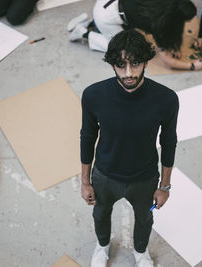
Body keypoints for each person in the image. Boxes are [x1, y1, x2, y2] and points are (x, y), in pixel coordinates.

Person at [80, 30, 179, 267]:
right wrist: (85, 181)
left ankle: (141, 252)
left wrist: (164, 186)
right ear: (112, 64)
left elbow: (168, 142)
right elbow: (87, 136)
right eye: (120, 64)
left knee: (145, 219)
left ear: (145, 61)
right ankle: (103, 246)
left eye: (135, 64)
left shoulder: (166, 99)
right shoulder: (93, 95)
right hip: (104, 175)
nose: (128, 73)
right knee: (100, 214)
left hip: (144, 177)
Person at [68, 0, 202, 71]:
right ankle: (84, 32)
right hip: (105, 17)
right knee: (124, 49)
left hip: (105, 4)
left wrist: (173, 47)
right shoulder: (159, 24)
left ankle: (89, 21)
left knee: (128, 28)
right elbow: (168, 61)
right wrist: (192, 66)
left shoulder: (162, 5)